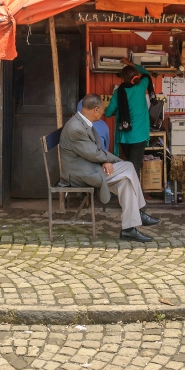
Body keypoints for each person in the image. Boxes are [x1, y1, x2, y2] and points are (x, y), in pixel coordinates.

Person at [62, 95, 160, 242]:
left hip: (89, 166)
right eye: (102, 110)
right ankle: (139, 212)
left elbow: (94, 150)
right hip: (79, 174)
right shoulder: (76, 128)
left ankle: (128, 229)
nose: (103, 113)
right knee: (128, 166)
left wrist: (104, 162)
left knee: (125, 182)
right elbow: (94, 153)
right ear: (95, 110)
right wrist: (109, 160)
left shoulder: (82, 122)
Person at [104, 58, 155, 175]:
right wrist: (129, 63)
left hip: (125, 137)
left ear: (123, 78)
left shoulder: (119, 92)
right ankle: (134, 192)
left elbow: (107, 113)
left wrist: (116, 111)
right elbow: (146, 73)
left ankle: (132, 191)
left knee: (129, 164)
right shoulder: (141, 86)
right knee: (135, 165)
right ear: (137, 75)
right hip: (140, 135)